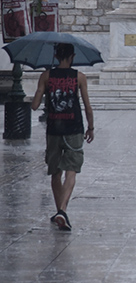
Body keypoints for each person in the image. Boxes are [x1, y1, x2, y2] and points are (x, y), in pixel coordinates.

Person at [29, 43, 94, 231]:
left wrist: (42, 92)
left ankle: (60, 211)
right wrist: (91, 127)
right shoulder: (79, 77)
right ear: (72, 56)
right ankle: (63, 211)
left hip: (54, 129)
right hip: (74, 128)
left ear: (56, 56)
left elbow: (34, 105)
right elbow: (87, 107)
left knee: (55, 172)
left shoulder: (47, 76)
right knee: (71, 171)